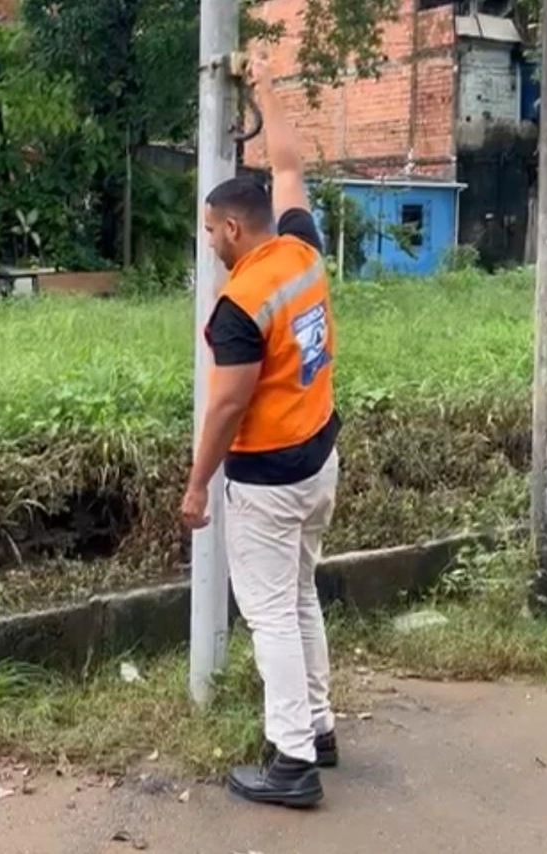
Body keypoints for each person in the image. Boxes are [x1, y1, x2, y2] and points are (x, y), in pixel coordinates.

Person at [181, 53, 341, 809]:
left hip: (272, 475)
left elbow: (225, 406)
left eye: (212, 229)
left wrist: (194, 486)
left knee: (271, 610)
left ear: (234, 228)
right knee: (301, 594)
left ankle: (292, 765)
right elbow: (287, 163)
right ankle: (318, 725)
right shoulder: (302, 251)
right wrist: (266, 86)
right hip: (320, 460)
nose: (208, 240)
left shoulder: (241, 302)